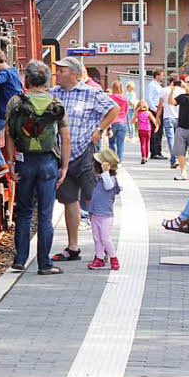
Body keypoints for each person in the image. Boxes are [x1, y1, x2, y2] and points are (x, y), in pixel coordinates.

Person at [4, 60, 70, 276]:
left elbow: (9, 133)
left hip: (25, 163)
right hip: (48, 163)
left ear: (27, 80)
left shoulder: (16, 101)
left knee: (23, 212)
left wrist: (11, 162)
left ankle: (20, 259)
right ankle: (44, 264)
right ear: (46, 80)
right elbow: (65, 136)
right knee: (45, 215)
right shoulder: (56, 102)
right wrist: (65, 166)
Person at [50, 57, 118, 261]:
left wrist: (99, 129)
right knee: (69, 200)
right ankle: (73, 247)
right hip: (62, 156)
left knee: (93, 200)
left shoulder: (91, 93)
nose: (58, 73)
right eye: (57, 70)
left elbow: (114, 109)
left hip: (86, 153)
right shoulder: (53, 94)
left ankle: (104, 246)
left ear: (75, 74)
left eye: (62, 70)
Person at [87, 147, 122, 271]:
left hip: (105, 215)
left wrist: (105, 172)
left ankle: (113, 257)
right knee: (97, 237)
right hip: (95, 213)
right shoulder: (100, 179)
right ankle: (99, 257)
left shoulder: (110, 179)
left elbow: (109, 186)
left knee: (105, 237)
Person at [158, 73, 181, 169]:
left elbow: (160, 105)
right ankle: (174, 159)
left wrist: (157, 117)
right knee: (178, 140)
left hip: (167, 117)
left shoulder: (164, 90)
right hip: (179, 117)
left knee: (171, 140)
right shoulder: (182, 91)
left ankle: (174, 159)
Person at [146, 69, 166, 159]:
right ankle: (154, 152)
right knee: (155, 130)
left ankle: (158, 151)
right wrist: (154, 110)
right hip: (155, 109)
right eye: (162, 75)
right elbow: (149, 98)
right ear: (156, 76)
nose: (163, 77)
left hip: (160, 108)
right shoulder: (152, 85)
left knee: (159, 131)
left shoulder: (158, 85)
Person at [107, 81, 129, 161]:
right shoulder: (125, 98)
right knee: (121, 143)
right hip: (122, 122)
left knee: (112, 142)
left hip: (112, 122)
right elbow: (126, 111)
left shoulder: (110, 97)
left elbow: (108, 110)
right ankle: (119, 160)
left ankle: (112, 159)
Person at [133, 99, 157, 164]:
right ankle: (146, 157)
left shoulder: (138, 113)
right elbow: (154, 120)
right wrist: (157, 127)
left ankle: (143, 157)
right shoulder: (148, 113)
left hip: (141, 130)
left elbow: (132, 121)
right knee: (147, 143)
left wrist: (136, 113)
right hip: (148, 130)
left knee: (142, 144)